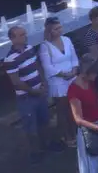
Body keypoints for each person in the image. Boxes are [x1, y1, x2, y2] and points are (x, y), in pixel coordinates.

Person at [4, 24, 58, 159]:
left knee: (44, 120)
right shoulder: (10, 59)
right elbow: (16, 81)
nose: (25, 37)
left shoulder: (30, 48)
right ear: (13, 39)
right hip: (26, 98)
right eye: (21, 35)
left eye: (25, 34)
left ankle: (47, 143)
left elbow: (37, 66)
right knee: (30, 126)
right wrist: (33, 91)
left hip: (39, 92)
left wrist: (43, 82)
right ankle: (35, 152)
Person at [41, 16, 80, 145]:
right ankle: (66, 135)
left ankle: (76, 132)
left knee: (74, 107)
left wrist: (74, 71)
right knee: (63, 110)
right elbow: (47, 67)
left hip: (72, 78)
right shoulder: (45, 47)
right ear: (50, 31)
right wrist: (63, 75)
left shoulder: (67, 40)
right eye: (56, 29)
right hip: (58, 82)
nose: (59, 30)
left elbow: (74, 58)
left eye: (60, 27)